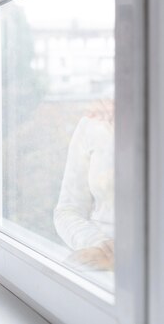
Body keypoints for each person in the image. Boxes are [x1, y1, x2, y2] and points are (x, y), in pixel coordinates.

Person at [54, 99, 114, 271]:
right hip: (99, 273)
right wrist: (99, 245)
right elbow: (68, 210)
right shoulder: (94, 124)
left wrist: (127, 257)